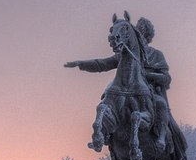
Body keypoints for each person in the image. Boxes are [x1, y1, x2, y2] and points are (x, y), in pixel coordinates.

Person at [65, 16, 174, 150]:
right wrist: (80, 64)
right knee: (107, 98)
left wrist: (147, 74)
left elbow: (166, 78)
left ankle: (161, 137)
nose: (140, 34)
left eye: (143, 32)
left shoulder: (156, 54)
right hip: (124, 86)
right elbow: (103, 64)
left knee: (161, 104)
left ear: (147, 36)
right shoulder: (125, 54)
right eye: (137, 31)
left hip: (147, 90)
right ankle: (102, 134)